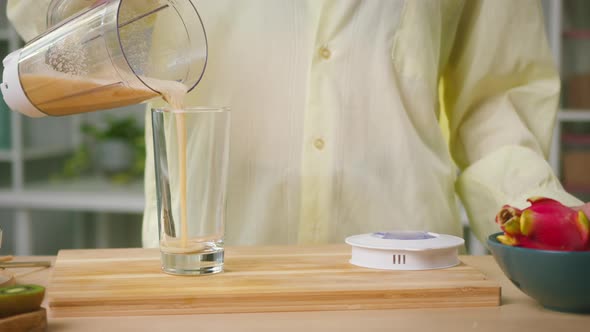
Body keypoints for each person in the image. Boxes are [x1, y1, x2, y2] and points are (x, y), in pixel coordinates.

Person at [8, 0, 587, 248]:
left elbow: (493, 98)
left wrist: (544, 219)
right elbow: (51, 25)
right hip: (201, 277)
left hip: (406, 270)